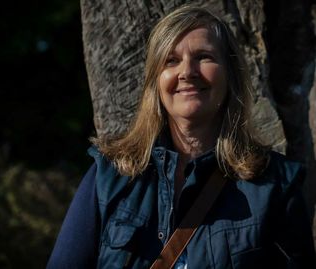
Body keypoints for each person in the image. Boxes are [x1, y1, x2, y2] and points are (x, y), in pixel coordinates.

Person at [47, 3, 316, 269]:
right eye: (171, 61)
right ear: (156, 81)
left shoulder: (276, 186)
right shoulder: (108, 178)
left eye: (204, 57)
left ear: (230, 75)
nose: (187, 72)